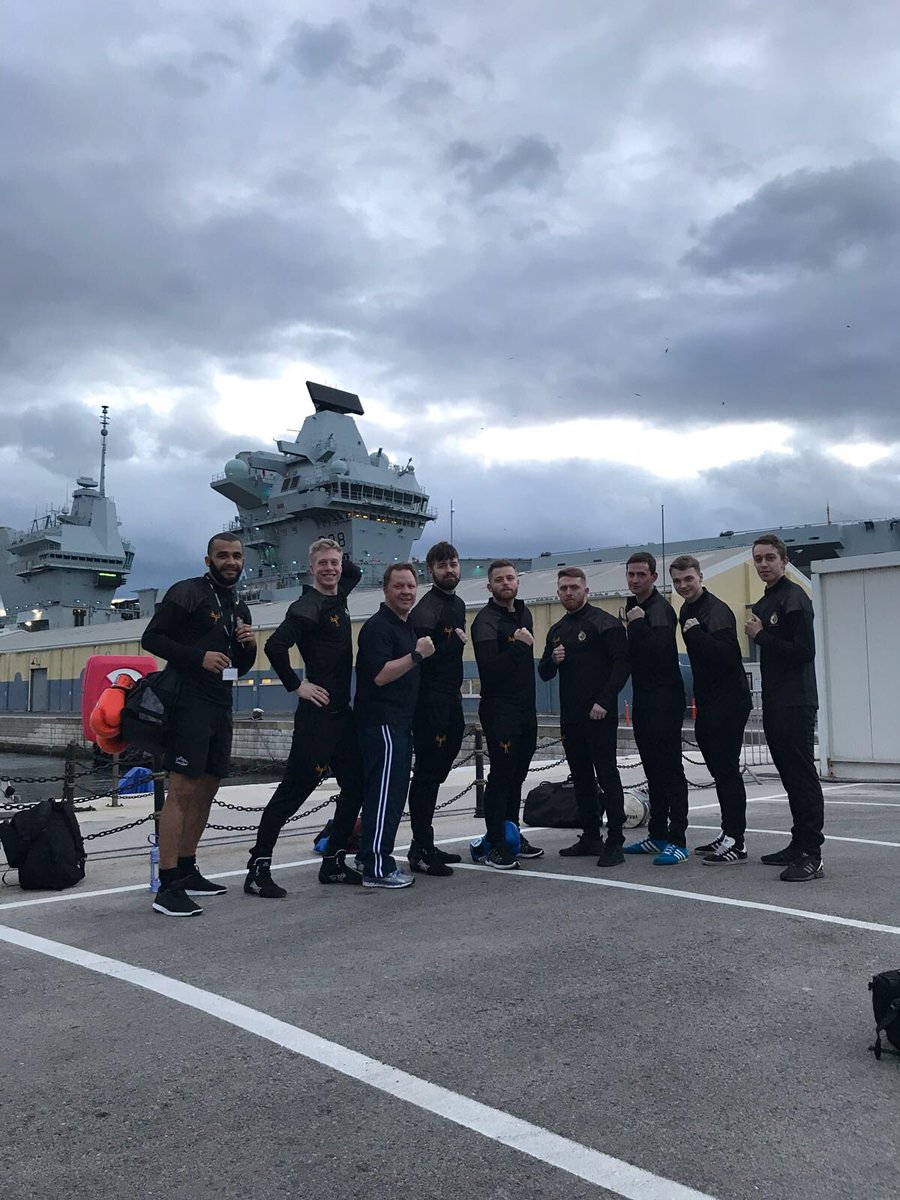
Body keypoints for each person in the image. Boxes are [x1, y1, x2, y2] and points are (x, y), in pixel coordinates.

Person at [142, 533, 256, 917]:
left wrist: (248, 645)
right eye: (223, 555)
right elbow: (151, 638)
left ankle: (188, 869)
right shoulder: (187, 592)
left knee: (208, 787)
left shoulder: (240, 604)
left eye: (236, 556)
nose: (231, 561)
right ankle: (168, 883)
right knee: (182, 790)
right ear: (208, 560)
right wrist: (198, 657)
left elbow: (240, 668)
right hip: (187, 702)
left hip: (219, 705)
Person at [244, 539, 364, 898]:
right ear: (311, 569)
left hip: (343, 716)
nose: (331, 568)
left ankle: (334, 861)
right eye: (323, 564)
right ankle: (258, 867)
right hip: (317, 718)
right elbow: (274, 647)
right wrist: (298, 686)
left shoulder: (339, 593)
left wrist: (338, 550)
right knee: (293, 792)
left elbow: (353, 571)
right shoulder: (306, 606)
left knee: (356, 786)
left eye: (334, 562)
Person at [745, 534, 825, 881]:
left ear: (784, 561)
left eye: (769, 558)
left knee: (802, 777)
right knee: (790, 777)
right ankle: (798, 842)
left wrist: (761, 636)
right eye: (758, 559)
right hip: (776, 700)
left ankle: (812, 854)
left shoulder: (795, 598)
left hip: (796, 700)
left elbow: (804, 653)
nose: (763, 564)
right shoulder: (768, 600)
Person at [538, 567, 630, 867]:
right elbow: (544, 672)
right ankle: (591, 836)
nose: (569, 593)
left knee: (606, 774)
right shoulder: (557, 630)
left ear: (586, 590)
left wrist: (604, 700)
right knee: (580, 777)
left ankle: (615, 840)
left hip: (599, 713)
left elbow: (622, 665)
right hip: (571, 717)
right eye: (563, 588)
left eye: (574, 587)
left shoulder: (605, 623)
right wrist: (553, 659)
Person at [355, 563, 434, 888]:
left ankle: (368, 855)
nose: (406, 592)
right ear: (385, 590)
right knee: (385, 795)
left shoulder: (406, 625)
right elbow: (379, 675)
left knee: (391, 792)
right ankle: (377, 866)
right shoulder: (378, 628)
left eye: (410, 586)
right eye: (399, 586)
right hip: (382, 723)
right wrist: (416, 656)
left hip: (400, 723)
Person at [669, 555, 752, 864]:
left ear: (700, 577)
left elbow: (728, 655)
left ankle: (737, 841)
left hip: (729, 700)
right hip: (707, 700)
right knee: (718, 769)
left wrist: (695, 634)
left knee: (727, 769)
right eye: (677, 581)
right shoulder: (686, 609)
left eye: (688, 579)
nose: (683, 585)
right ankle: (727, 832)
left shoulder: (715, 611)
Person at [471, 560, 543, 870]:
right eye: (499, 579)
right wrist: (517, 644)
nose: (505, 583)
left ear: (517, 582)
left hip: (526, 709)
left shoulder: (523, 613)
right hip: (499, 710)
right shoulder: (484, 621)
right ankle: (496, 845)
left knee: (518, 776)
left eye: (510, 578)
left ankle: (512, 835)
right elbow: (489, 670)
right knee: (501, 776)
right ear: (490, 586)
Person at [622, 552, 689, 865]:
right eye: (631, 575)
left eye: (640, 575)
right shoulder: (633, 606)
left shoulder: (660, 608)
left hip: (665, 698)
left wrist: (635, 626)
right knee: (652, 769)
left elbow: (660, 653)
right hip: (644, 697)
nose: (635, 580)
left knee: (670, 770)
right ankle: (658, 835)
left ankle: (678, 840)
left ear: (653, 577)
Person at [406, 541, 466, 877]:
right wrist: (452, 644)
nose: (450, 570)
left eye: (454, 564)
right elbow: (421, 662)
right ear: (431, 570)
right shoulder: (426, 610)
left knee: (439, 771)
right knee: (428, 774)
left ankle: (426, 842)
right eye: (442, 565)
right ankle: (420, 847)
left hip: (452, 698)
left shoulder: (456, 604)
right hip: (430, 702)